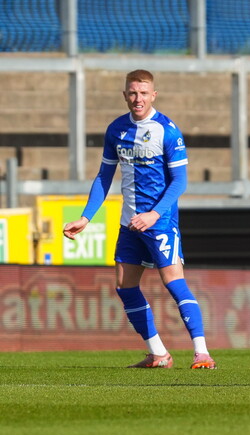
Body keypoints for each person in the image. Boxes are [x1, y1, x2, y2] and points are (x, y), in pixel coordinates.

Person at [63, 70, 216, 370]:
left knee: (174, 282)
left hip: (160, 222)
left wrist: (154, 214)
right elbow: (104, 176)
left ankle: (202, 353)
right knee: (124, 285)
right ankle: (159, 353)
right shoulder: (116, 130)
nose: (138, 99)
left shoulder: (167, 131)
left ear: (154, 95)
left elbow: (180, 182)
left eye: (144, 93)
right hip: (130, 224)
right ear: (124, 95)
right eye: (133, 93)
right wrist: (85, 217)